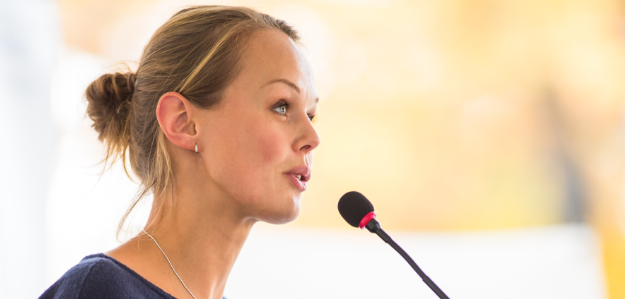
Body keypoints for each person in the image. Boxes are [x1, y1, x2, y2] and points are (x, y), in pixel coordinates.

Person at [40, 5, 320, 299]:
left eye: (311, 115)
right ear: (183, 122)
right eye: (282, 106)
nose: (313, 138)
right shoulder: (101, 290)